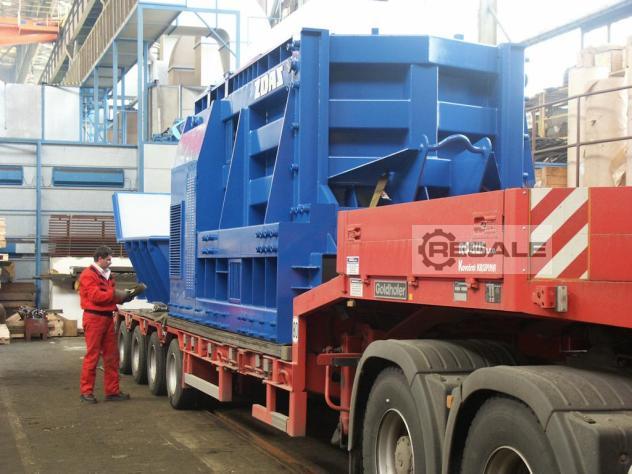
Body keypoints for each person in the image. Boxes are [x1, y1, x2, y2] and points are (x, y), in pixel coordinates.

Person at [78, 246, 131, 403]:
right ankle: (86, 392)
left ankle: (112, 391)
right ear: (99, 259)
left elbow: (108, 296)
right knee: (92, 356)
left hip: (107, 318)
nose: (110, 262)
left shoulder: (107, 275)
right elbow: (96, 296)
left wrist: (124, 297)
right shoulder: (88, 275)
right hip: (94, 318)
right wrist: (115, 294)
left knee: (111, 356)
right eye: (108, 259)